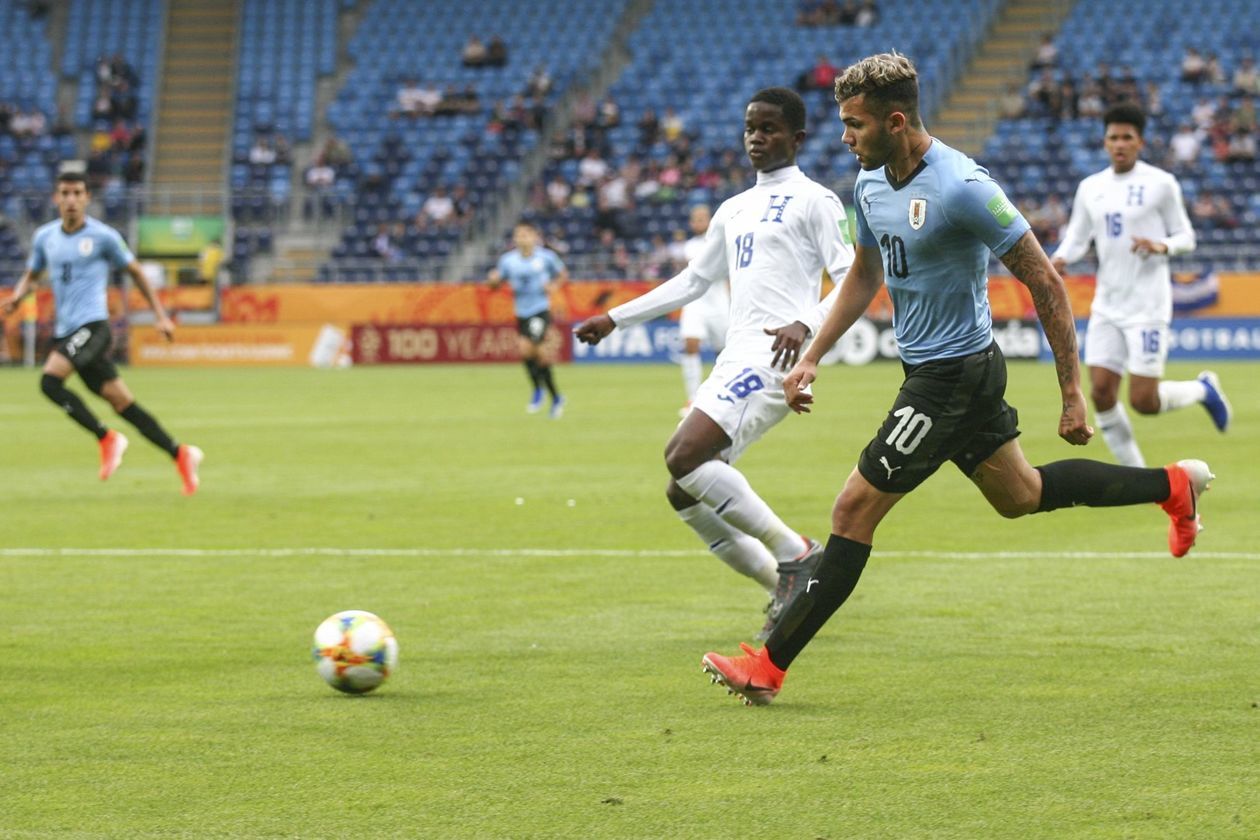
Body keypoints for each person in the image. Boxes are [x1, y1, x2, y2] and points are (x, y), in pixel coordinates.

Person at [699, 53, 1214, 707]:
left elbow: (1044, 279)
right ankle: (1174, 486)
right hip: (933, 370)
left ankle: (768, 667)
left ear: (895, 119)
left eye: (855, 124)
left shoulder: (963, 186)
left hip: (953, 375)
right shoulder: (869, 184)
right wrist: (812, 356)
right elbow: (863, 275)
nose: (844, 137)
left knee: (852, 510)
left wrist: (1072, 390)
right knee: (1021, 495)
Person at [575, 87, 854, 640]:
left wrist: (808, 323)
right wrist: (617, 318)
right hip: (736, 354)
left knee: (683, 454)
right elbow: (693, 281)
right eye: (751, 126)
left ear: (797, 138)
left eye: (770, 128)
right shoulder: (733, 208)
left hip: (777, 354)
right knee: (684, 489)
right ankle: (781, 583)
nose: (756, 136)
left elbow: (852, 279)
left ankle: (796, 555)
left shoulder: (815, 200)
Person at [0, 172, 202, 494]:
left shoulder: (103, 237)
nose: (70, 200)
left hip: (94, 327)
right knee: (123, 403)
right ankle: (180, 453)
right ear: (56, 198)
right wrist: (18, 295)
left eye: (77, 193)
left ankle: (106, 437)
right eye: (64, 193)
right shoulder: (45, 237)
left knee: (50, 381)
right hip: (66, 332)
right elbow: (33, 274)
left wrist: (161, 316)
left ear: (87, 198)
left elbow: (135, 272)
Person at [1050, 102, 1227, 468]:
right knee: (1100, 393)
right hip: (1108, 305)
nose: (1119, 144)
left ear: (1140, 142)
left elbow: (1187, 236)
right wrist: (1062, 258)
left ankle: (1203, 389)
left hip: (1148, 305)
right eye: (1113, 137)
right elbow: (1079, 239)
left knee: (1143, 401)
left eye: (1126, 137)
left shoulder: (1161, 184)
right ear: (1104, 142)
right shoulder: (1090, 188)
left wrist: (1163, 245)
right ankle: (1137, 478)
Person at [488, 223, 568, 418]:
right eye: (518, 235)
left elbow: (563, 274)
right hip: (521, 312)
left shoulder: (546, 258)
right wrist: (492, 280)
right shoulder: (508, 261)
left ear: (534, 237)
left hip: (540, 309)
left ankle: (545, 394)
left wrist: (554, 286)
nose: (521, 238)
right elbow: (495, 284)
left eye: (525, 235)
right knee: (529, 354)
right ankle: (552, 395)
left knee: (531, 349)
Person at [674, 203, 729, 416]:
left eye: (703, 218)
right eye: (696, 218)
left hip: (720, 303)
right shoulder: (689, 246)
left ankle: (721, 395)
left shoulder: (723, 242)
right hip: (696, 302)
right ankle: (692, 398)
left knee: (723, 353)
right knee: (690, 344)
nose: (699, 222)